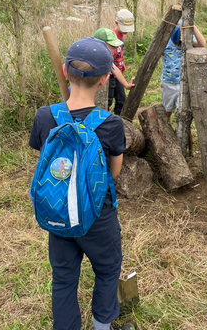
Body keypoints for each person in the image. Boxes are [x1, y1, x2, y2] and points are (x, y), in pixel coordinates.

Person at [29, 37, 135, 330]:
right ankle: (103, 327)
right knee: (107, 268)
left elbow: (45, 164)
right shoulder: (111, 124)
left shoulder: (45, 117)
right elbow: (113, 174)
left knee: (63, 278)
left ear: (65, 71)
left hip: (58, 212)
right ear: (104, 81)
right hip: (97, 217)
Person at [161, 20, 206, 121]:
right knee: (167, 110)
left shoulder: (188, 40)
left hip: (185, 83)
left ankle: (183, 134)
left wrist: (192, 26)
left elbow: (202, 43)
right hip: (168, 82)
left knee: (183, 112)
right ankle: (167, 131)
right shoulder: (164, 42)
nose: (179, 44)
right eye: (177, 42)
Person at [109, 9, 134, 115]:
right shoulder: (111, 36)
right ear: (116, 23)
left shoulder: (123, 35)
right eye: (124, 28)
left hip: (118, 72)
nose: (126, 31)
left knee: (121, 100)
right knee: (108, 100)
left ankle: (118, 120)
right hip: (109, 74)